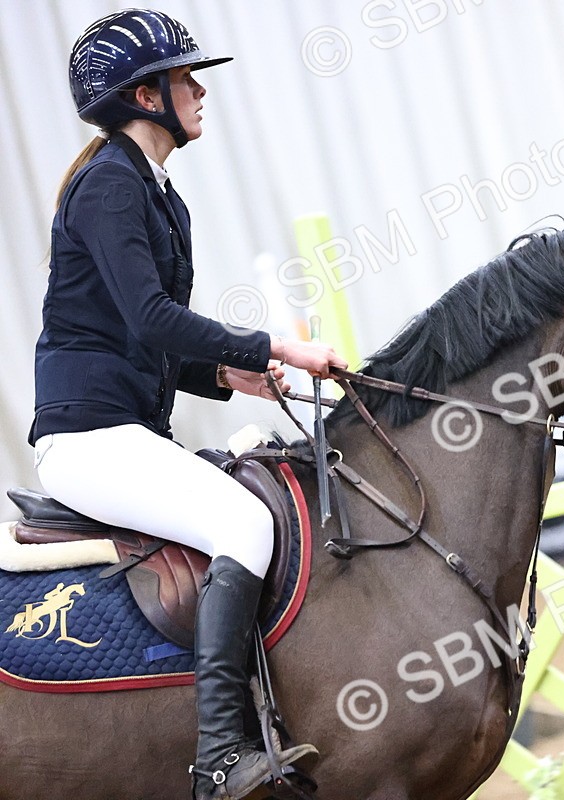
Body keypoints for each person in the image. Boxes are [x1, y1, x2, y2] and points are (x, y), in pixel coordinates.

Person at [31, 9, 346, 799]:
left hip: (128, 429)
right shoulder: (109, 186)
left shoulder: (159, 194)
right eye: (185, 78)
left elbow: (154, 346)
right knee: (244, 522)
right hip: (89, 439)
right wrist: (274, 348)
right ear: (145, 96)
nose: (200, 90)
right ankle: (216, 757)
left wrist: (223, 379)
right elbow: (151, 318)